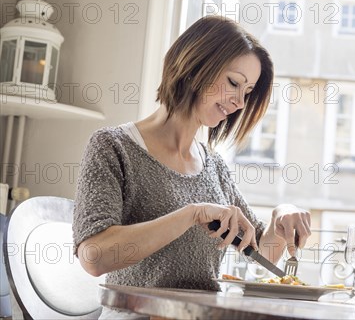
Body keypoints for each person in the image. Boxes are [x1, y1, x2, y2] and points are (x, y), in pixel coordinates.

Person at [73, 16, 311, 300]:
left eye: (247, 92)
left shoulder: (213, 165)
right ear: (194, 66)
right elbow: (93, 257)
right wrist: (192, 214)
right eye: (234, 83)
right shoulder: (114, 147)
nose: (239, 103)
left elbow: (260, 250)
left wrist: (280, 217)